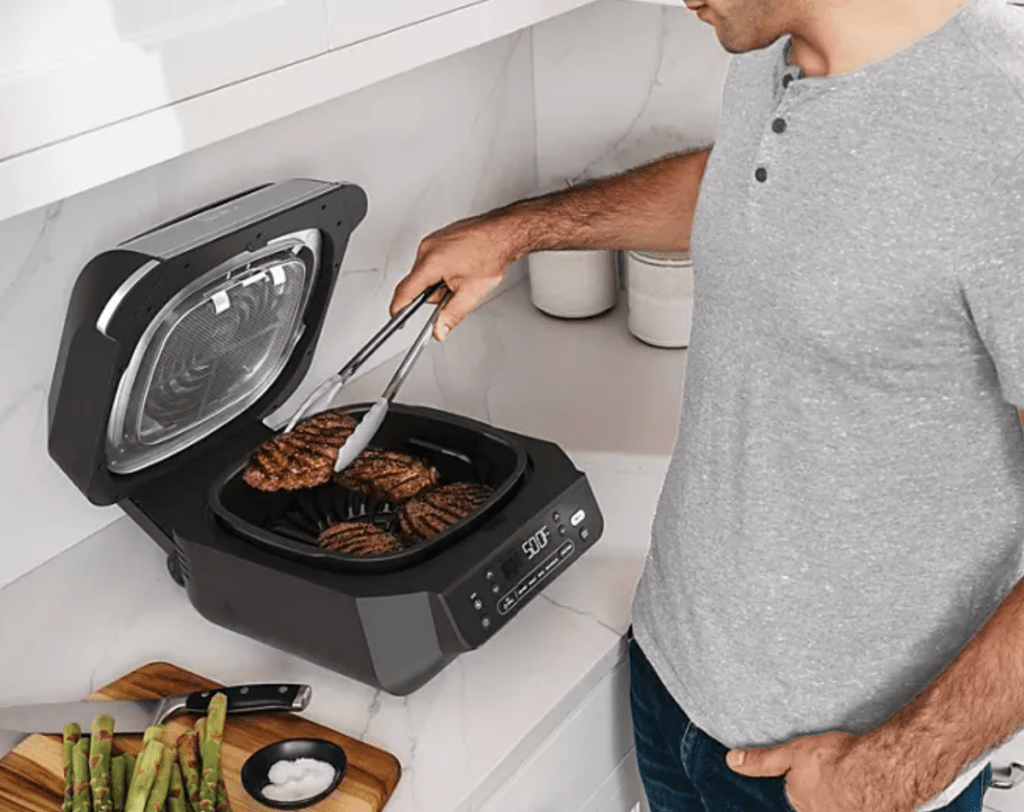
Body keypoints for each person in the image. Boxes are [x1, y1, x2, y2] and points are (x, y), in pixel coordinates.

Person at [389, 0, 1024, 809]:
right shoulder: (773, 40)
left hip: (839, 767)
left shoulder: (1003, 125)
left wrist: (898, 769)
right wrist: (520, 231)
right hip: (672, 683)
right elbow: (736, 183)